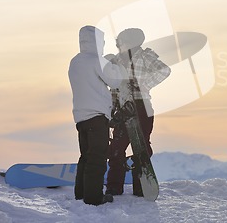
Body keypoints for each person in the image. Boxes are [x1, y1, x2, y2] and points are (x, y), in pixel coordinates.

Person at [106, 28, 171, 196]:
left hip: (142, 105)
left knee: (141, 146)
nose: (118, 44)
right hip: (122, 107)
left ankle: (141, 186)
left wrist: (143, 85)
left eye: (121, 41)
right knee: (116, 147)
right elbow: (114, 88)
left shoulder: (145, 56)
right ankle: (114, 187)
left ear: (131, 41)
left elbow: (164, 70)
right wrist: (112, 110)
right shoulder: (116, 61)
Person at [68, 25, 127, 205]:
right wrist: (116, 66)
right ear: (97, 42)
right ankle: (94, 198)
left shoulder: (75, 61)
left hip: (80, 117)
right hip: (97, 116)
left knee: (85, 156)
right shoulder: (97, 60)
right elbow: (116, 80)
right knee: (97, 158)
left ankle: (81, 193)